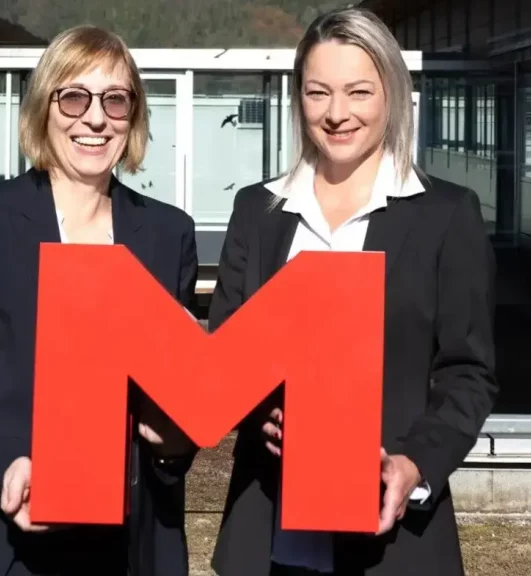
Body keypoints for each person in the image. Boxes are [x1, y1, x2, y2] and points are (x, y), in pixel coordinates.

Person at [0, 25, 198, 576]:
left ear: (134, 115)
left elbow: (172, 406)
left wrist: (173, 442)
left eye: (114, 100)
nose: (95, 118)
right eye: (73, 97)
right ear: (42, 108)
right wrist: (9, 462)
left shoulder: (169, 235)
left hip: (124, 541)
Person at [208, 7, 497, 576]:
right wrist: (259, 409)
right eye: (318, 93)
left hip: (395, 542)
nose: (337, 114)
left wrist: (413, 465)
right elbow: (225, 353)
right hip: (268, 534)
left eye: (358, 92)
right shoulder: (257, 212)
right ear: (299, 100)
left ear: (391, 94)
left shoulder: (447, 215)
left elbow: (469, 373)